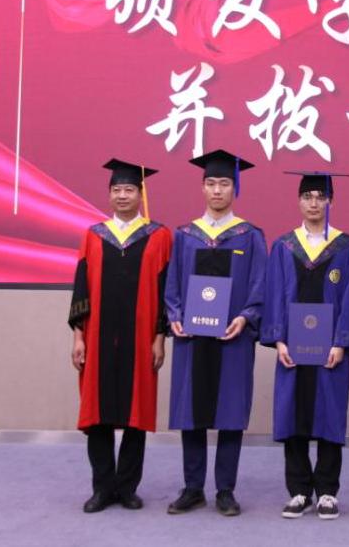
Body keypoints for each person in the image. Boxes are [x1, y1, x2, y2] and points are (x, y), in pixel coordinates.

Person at [164, 149, 267, 517]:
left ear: (235, 188)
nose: (218, 190)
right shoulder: (185, 235)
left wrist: (246, 317)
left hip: (232, 338)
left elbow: (259, 285)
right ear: (203, 188)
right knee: (191, 411)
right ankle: (193, 488)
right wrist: (175, 315)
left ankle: (225, 489)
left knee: (230, 411)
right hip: (192, 338)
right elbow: (173, 284)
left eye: (224, 183)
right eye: (211, 183)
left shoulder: (250, 236)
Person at [68, 159, 171, 513]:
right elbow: (81, 288)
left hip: (140, 339)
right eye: (117, 190)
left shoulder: (159, 237)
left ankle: (127, 488)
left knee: (135, 414)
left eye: (129, 189)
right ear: (109, 194)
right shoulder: (93, 235)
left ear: (140, 195)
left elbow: (165, 292)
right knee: (96, 414)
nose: (122, 195)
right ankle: (102, 487)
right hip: (97, 337)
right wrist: (78, 336)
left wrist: (160, 337)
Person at [261, 172, 349, 520]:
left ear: (331, 201)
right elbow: (274, 293)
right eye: (308, 196)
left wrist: (341, 342)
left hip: (331, 350)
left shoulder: (347, 247)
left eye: (321, 196)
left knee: (330, 416)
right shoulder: (283, 246)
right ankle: (299, 491)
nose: (314, 203)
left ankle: (328, 492)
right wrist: (278, 339)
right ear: (299, 201)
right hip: (292, 347)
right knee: (293, 415)